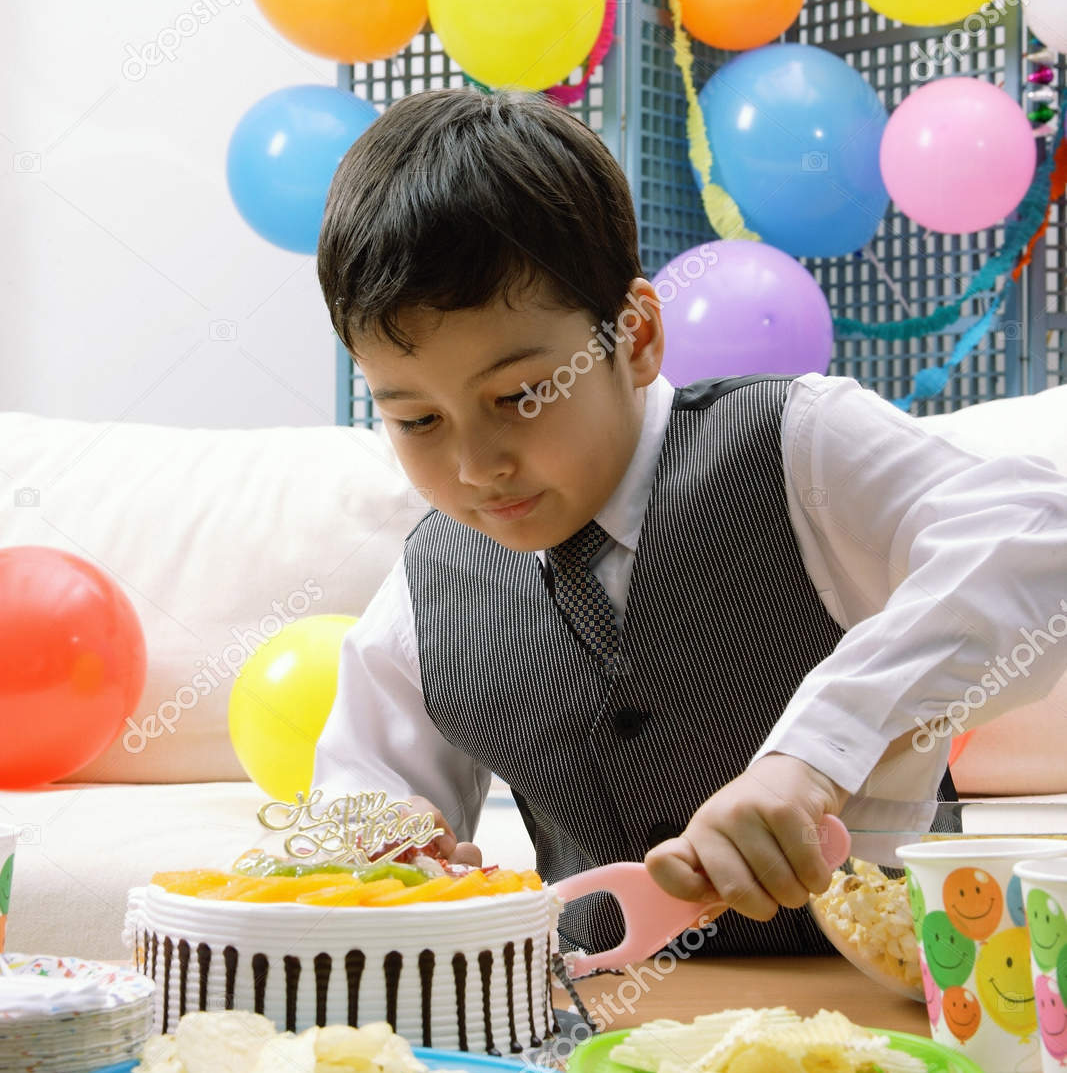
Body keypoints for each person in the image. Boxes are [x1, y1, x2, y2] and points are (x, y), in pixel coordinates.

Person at [312, 87, 1067, 958]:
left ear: (633, 336)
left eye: (519, 396)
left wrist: (812, 757)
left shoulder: (797, 448)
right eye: (417, 420)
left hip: (880, 1025)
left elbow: (1036, 536)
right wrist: (376, 839)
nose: (477, 467)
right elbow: (355, 789)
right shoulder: (429, 582)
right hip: (593, 1043)